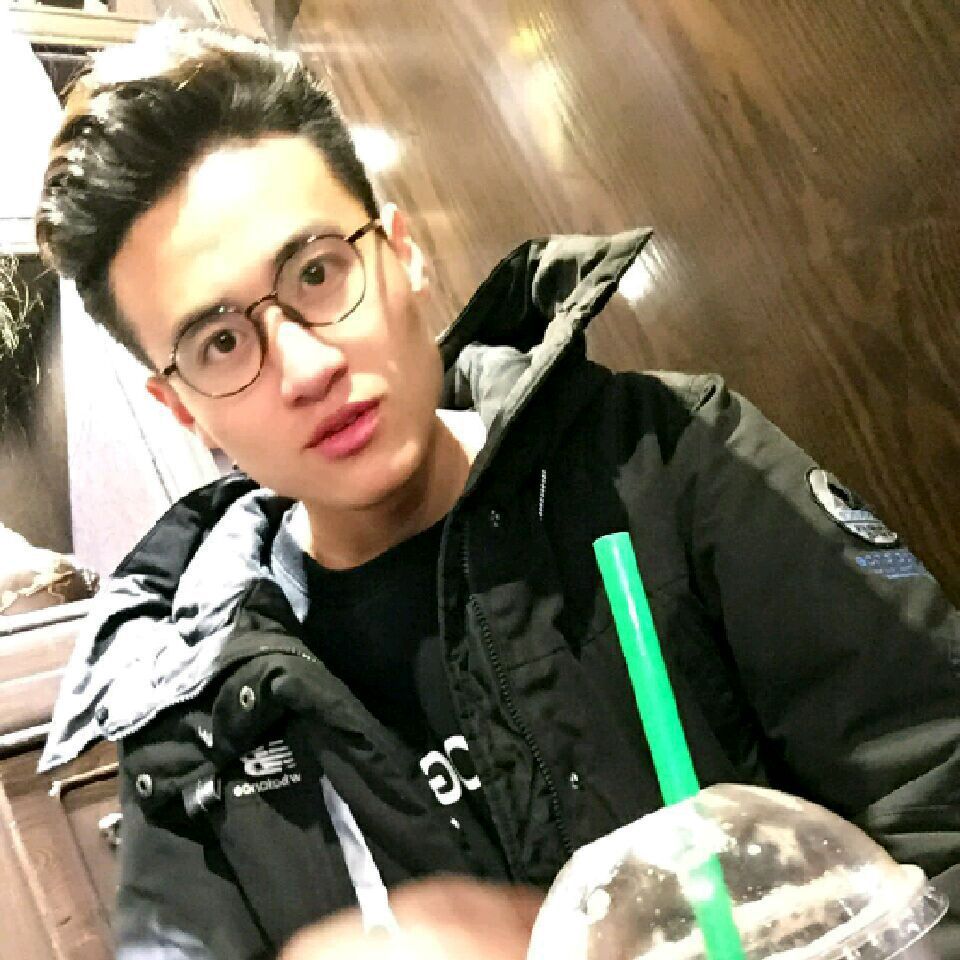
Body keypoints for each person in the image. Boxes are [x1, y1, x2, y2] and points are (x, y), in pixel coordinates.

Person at [35, 22, 958, 960]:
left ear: (402, 254)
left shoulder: (658, 462)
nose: (307, 369)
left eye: (317, 273)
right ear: (180, 407)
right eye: (222, 343)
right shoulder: (188, 718)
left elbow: (938, 803)